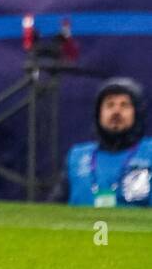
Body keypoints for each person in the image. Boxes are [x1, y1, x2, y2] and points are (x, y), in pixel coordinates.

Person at [63, 78, 150, 207]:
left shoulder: (149, 152)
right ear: (99, 114)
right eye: (109, 105)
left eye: (124, 105)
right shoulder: (77, 156)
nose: (116, 111)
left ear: (136, 113)